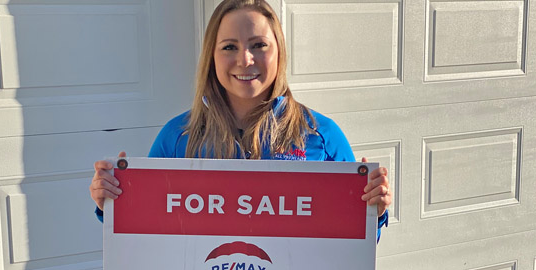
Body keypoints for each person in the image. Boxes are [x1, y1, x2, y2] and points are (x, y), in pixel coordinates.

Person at [90, 0, 392, 238]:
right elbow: (146, 229)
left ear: (279, 53)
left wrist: (373, 212)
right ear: (212, 56)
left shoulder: (322, 136)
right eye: (229, 47)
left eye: (259, 45)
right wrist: (112, 202)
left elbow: (356, 243)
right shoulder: (178, 137)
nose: (245, 59)